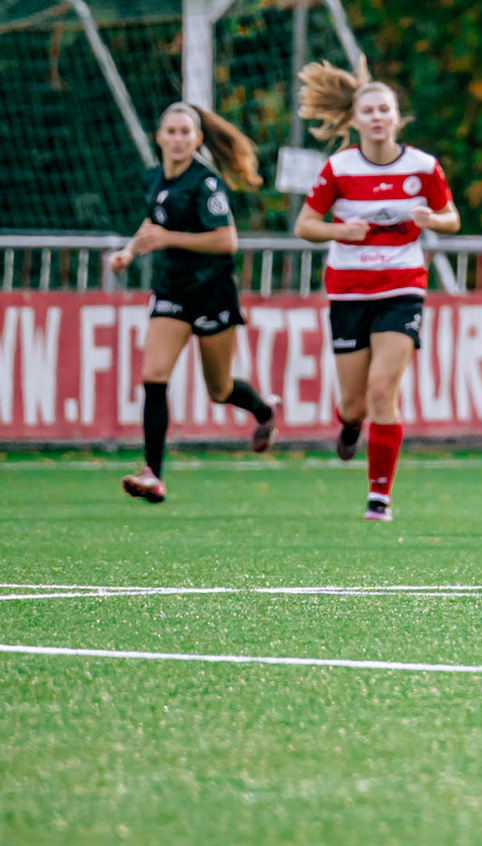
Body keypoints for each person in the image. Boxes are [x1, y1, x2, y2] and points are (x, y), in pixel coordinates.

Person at [293, 59, 459, 522]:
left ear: (396, 116)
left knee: (384, 388)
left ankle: (379, 496)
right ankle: (349, 424)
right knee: (355, 403)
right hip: (348, 291)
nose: (377, 118)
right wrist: (338, 233)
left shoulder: (422, 166)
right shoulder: (339, 168)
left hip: (402, 287)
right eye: (368, 111)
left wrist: (433, 220)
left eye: (385, 109)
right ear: (355, 119)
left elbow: (452, 218)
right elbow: (305, 225)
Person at [112, 104, 278, 503]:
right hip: (171, 291)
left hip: (211, 291)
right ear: (159, 136)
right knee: (154, 375)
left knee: (219, 389)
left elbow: (226, 240)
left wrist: (169, 239)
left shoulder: (205, 184)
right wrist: (129, 251)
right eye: (171, 131)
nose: (178, 138)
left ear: (197, 139)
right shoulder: (155, 178)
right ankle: (153, 473)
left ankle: (264, 411)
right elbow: (154, 223)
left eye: (186, 132)